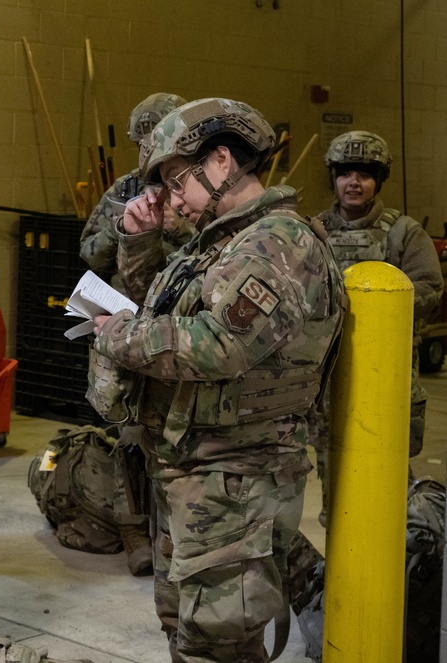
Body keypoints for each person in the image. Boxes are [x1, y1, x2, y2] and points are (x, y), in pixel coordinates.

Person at [91, 98, 345, 662]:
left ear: (222, 161)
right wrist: (139, 239)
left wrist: (115, 334)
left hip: (237, 483)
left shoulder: (277, 243)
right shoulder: (220, 244)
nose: (172, 196)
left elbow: (217, 345)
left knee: (219, 645)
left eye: (177, 180)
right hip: (193, 475)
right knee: (184, 631)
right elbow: (160, 308)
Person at [78, 92, 190, 576]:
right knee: (123, 429)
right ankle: (131, 529)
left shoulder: (193, 192)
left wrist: (170, 229)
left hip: (178, 329)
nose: (152, 152)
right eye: (145, 143)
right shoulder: (123, 190)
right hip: (124, 321)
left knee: (171, 432)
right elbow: (89, 251)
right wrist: (125, 227)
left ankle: (172, 534)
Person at [310, 131, 443, 525]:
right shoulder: (314, 230)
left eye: (365, 174)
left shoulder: (404, 232)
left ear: (378, 180)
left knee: (389, 491)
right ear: (333, 178)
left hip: (390, 375)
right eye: (346, 173)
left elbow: (431, 288)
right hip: (332, 377)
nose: (354, 182)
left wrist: (370, 306)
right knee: (334, 495)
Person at [80, 92, 193, 285]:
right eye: (142, 147)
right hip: (125, 302)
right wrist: (119, 228)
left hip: (180, 297)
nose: (149, 155)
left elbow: (223, 251)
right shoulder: (125, 187)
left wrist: (179, 228)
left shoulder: (199, 184)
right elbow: (90, 256)